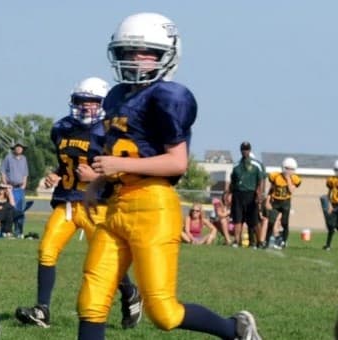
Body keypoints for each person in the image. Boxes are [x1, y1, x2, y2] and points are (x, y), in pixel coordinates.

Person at [77, 12, 260, 339]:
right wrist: (98, 183)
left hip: (153, 206)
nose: (134, 58)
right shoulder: (117, 95)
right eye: (128, 51)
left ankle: (235, 329)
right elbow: (125, 152)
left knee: (163, 312)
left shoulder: (169, 96)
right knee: (91, 300)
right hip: (117, 206)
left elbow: (177, 163)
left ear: (167, 55)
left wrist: (119, 167)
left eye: (145, 52)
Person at [15, 77, 141, 330]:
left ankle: (129, 293)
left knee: (104, 260)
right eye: (81, 101)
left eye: (92, 102)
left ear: (103, 103)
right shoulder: (61, 128)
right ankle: (42, 309)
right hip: (67, 202)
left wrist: (96, 176)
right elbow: (68, 162)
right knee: (47, 250)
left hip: (97, 204)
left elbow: (125, 170)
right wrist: (56, 174)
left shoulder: (112, 131)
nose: (85, 106)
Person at [229, 141, 264, 248]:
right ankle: (236, 241)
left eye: (247, 149)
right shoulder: (236, 165)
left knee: (254, 220)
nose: (245, 151)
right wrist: (229, 193)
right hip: (238, 194)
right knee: (238, 219)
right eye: (243, 149)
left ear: (250, 150)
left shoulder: (257, 165)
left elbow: (261, 180)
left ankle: (260, 241)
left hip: (251, 194)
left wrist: (259, 194)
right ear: (241, 150)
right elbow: (232, 182)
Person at [264, 157, 301, 249]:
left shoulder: (295, 178)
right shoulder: (275, 176)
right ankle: (266, 241)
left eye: (291, 169)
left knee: (284, 223)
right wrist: (267, 201)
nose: (289, 171)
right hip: (275, 202)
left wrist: (288, 179)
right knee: (271, 221)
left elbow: (291, 191)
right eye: (287, 168)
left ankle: (284, 241)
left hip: (285, 202)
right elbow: (271, 189)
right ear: (283, 168)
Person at [2, 142, 29, 234]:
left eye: (21, 147)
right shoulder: (8, 158)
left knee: (20, 210)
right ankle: (6, 231)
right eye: (17, 147)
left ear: (23, 149)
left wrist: (24, 185)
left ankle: (18, 232)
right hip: (10, 188)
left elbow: (25, 173)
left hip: (20, 189)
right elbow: (3, 172)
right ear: (14, 148)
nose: (19, 149)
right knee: (8, 210)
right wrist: (6, 185)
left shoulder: (24, 159)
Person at [325, 161, 338, 251]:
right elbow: (329, 193)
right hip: (334, 204)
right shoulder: (331, 180)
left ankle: (328, 246)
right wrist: (329, 204)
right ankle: (328, 245)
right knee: (331, 225)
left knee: (332, 225)